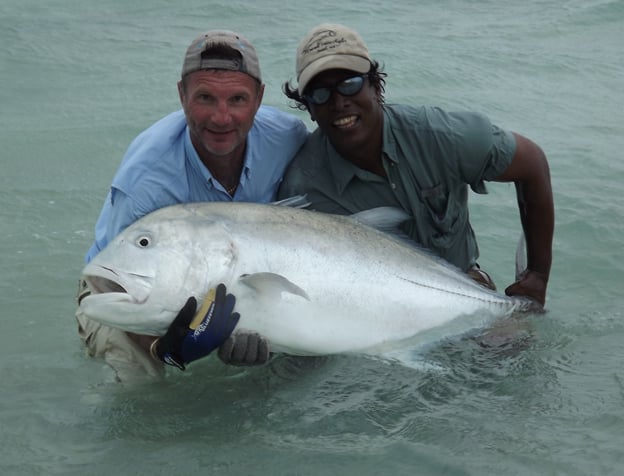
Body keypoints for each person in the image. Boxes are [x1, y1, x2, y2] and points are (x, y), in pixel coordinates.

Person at [76, 30, 308, 382]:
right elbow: (110, 283)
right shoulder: (145, 182)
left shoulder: (287, 138)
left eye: (237, 99)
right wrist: (166, 349)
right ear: (182, 95)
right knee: (137, 391)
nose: (221, 117)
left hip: (236, 273)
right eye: (205, 97)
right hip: (128, 285)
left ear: (259, 99)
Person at [279, 23, 554, 306]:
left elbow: (532, 163)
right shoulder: (303, 193)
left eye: (350, 84)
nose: (339, 102)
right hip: (374, 309)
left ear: (375, 86)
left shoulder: (440, 136)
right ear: (309, 108)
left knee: (512, 343)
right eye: (321, 94)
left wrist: (537, 276)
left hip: (466, 287)